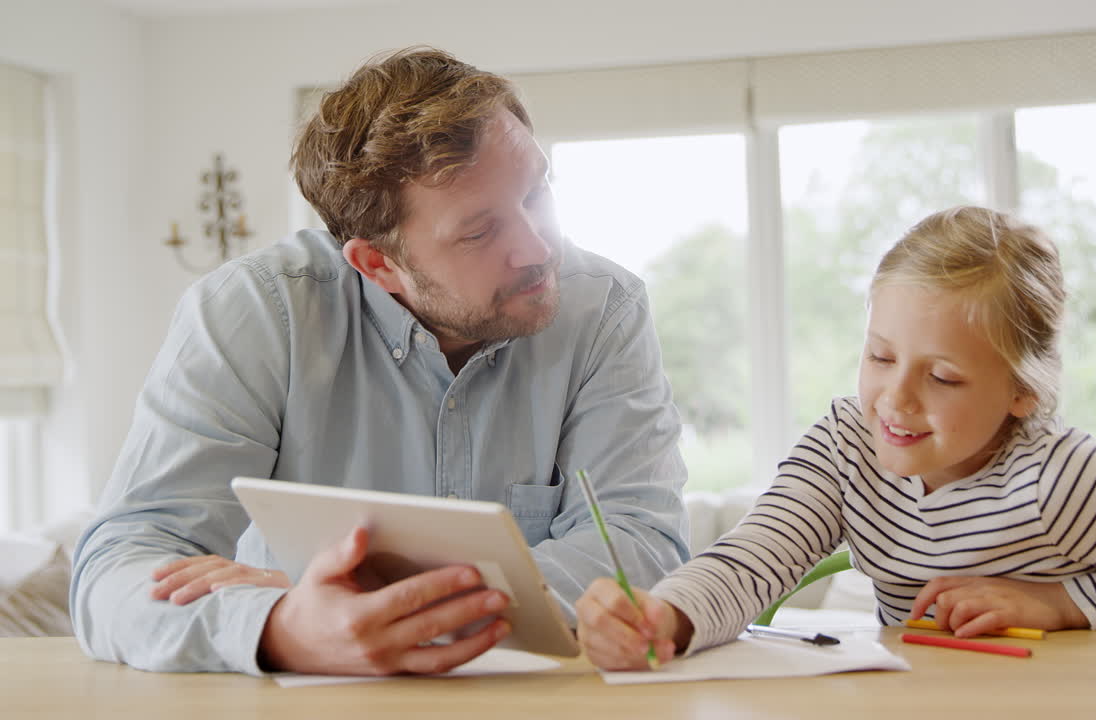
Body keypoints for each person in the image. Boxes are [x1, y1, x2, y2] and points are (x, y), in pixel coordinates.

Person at [70, 46, 690, 676]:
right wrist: (282, 627)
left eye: (536, 193)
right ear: (377, 264)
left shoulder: (603, 308)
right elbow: (119, 570)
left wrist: (346, 598)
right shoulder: (257, 311)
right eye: (479, 232)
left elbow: (639, 549)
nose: (538, 248)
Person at [574, 205, 1096, 670]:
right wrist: (664, 616)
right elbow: (753, 561)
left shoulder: (1068, 482)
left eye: (942, 377)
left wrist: (1062, 603)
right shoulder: (846, 444)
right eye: (880, 358)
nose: (895, 400)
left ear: (1022, 392)